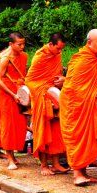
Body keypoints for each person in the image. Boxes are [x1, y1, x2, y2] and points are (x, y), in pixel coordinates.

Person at [60, 29, 97, 186]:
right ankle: (77, 174)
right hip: (75, 105)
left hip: (88, 104)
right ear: (89, 42)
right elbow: (72, 88)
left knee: (89, 139)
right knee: (77, 136)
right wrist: (89, 98)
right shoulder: (82, 61)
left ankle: (84, 173)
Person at [25, 32, 70, 175]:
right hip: (39, 93)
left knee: (56, 127)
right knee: (43, 128)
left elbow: (55, 75)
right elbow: (31, 80)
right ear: (50, 45)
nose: (60, 52)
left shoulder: (56, 55)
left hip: (52, 91)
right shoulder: (40, 56)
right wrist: (45, 89)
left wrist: (62, 79)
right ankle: (44, 165)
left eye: (62, 49)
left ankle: (56, 163)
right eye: (58, 48)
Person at [0, 32, 27, 170]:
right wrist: (12, 94)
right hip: (7, 95)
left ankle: (14, 153)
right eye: (19, 44)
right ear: (11, 44)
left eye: (23, 44)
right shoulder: (5, 59)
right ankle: (10, 158)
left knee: (19, 124)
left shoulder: (23, 56)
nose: (22, 47)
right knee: (7, 125)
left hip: (19, 93)